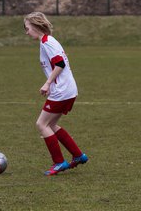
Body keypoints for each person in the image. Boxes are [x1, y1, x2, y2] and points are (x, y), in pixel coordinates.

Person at [24, 12, 88, 175]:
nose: (26, 32)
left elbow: (59, 64)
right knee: (51, 125)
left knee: (41, 124)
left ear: (35, 26)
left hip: (62, 91)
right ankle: (78, 155)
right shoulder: (47, 41)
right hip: (67, 90)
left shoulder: (47, 42)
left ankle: (59, 162)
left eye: (27, 28)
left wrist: (47, 83)